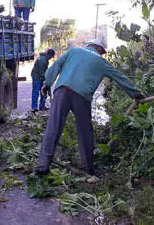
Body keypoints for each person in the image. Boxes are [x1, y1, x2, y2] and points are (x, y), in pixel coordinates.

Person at [35, 39, 144, 176]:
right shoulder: (102, 62)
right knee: (85, 130)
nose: (102, 54)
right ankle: (88, 168)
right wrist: (136, 94)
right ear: (98, 48)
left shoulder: (74, 51)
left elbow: (56, 65)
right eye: (101, 51)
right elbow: (120, 78)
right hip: (81, 96)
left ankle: (43, 165)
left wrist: (47, 83)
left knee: (53, 127)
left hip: (61, 90)